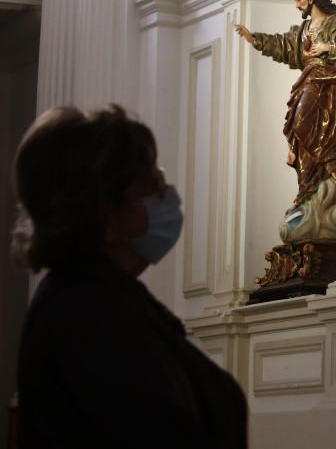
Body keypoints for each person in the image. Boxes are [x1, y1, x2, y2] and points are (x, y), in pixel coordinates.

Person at [13, 105, 247, 448]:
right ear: (103, 210)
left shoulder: (106, 300)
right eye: (151, 184)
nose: (167, 195)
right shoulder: (89, 316)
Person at [235, 0, 336, 243]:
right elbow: (284, 46)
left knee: (302, 122)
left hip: (329, 80)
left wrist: (329, 49)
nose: (297, 5)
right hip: (309, 79)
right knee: (297, 127)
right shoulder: (305, 29)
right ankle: (308, 187)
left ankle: (331, 159)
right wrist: (254, 39)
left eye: (298, 0)